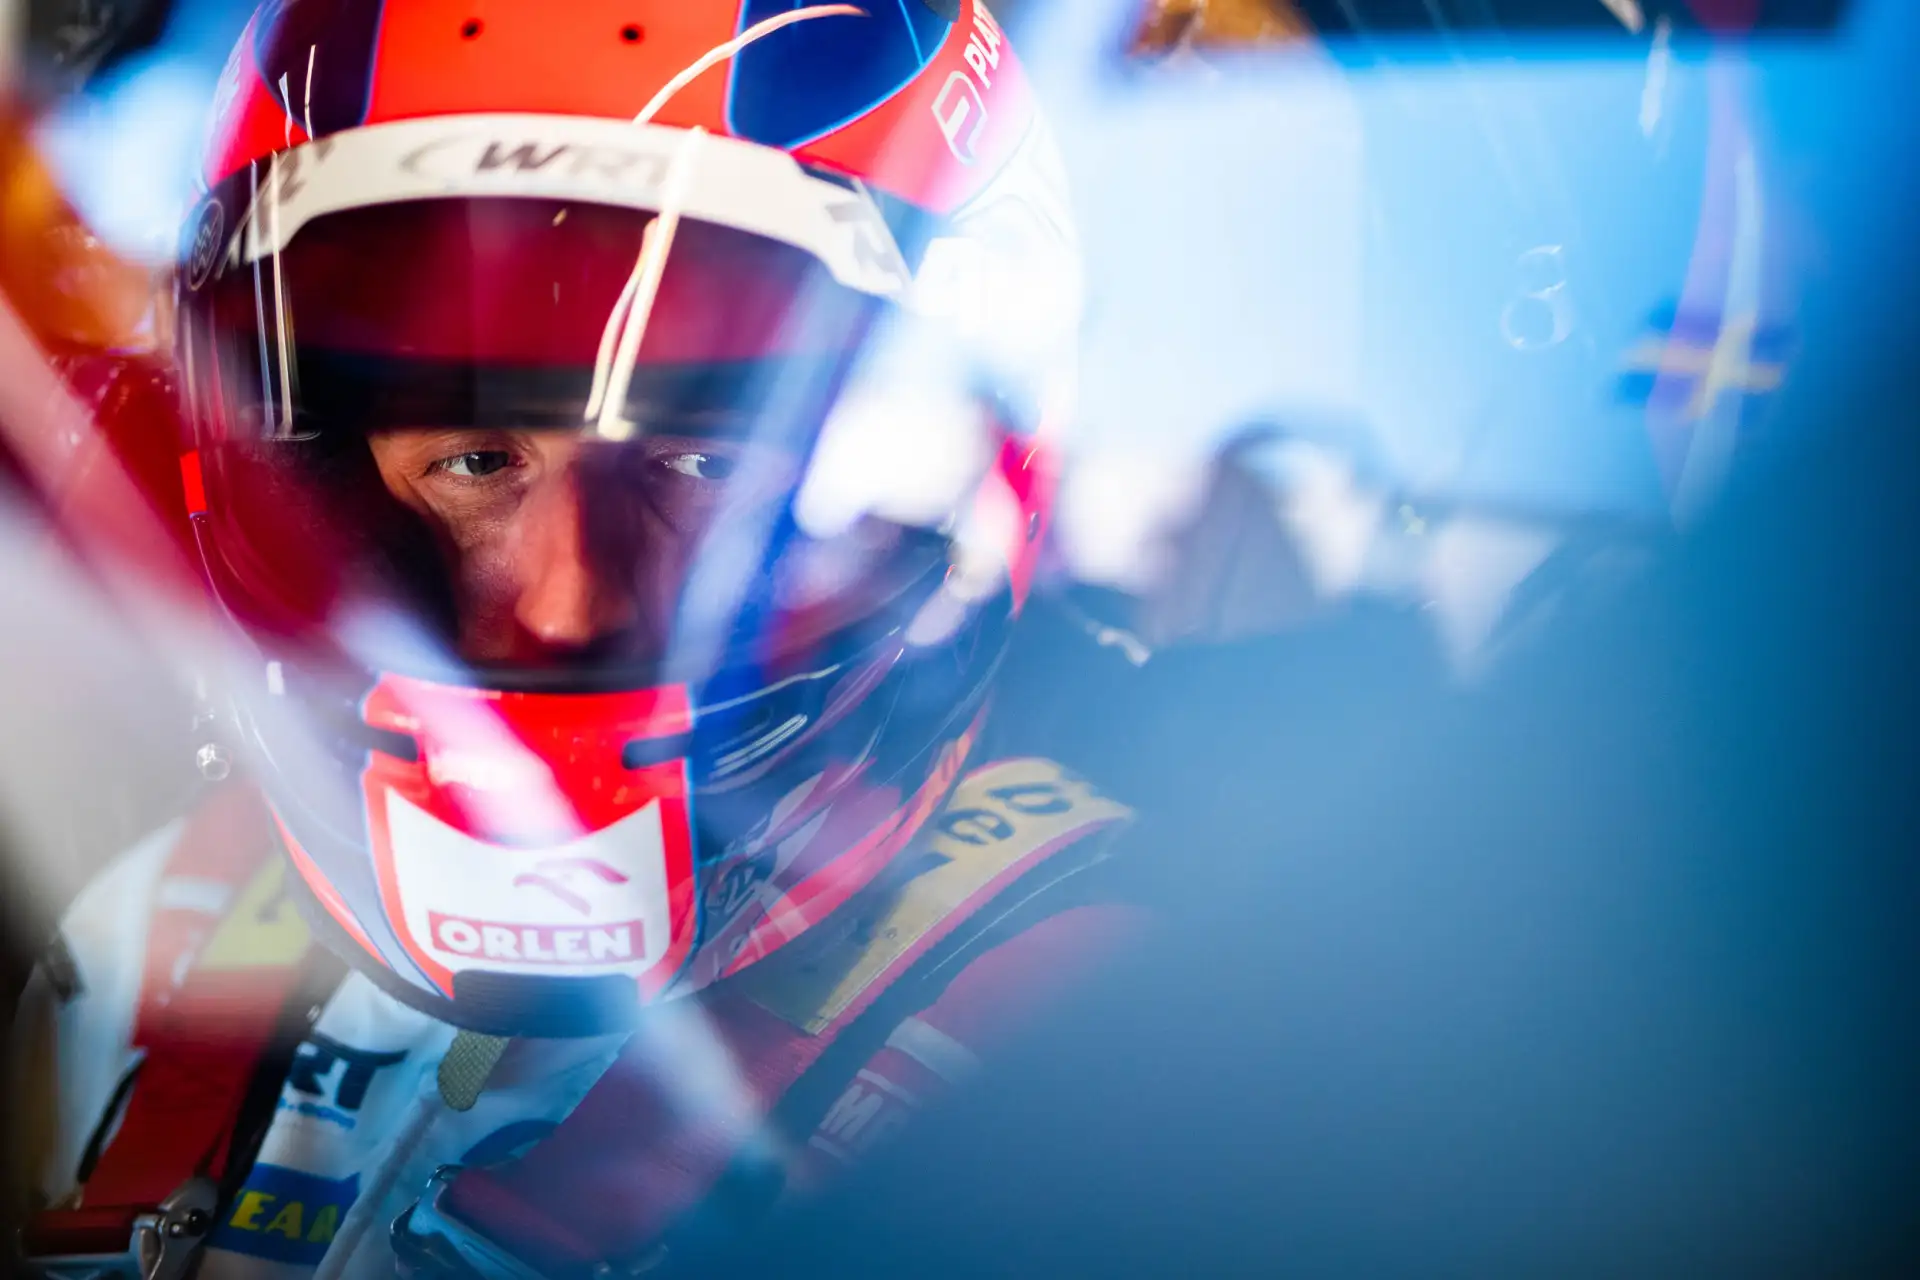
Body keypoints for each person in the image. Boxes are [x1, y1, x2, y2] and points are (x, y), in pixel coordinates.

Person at [10, 2, 1168, 1276]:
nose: (564, 603)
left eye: (707, 462)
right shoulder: (153, 943)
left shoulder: (1105, 1044)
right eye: (473, 457)